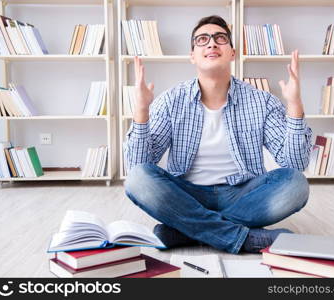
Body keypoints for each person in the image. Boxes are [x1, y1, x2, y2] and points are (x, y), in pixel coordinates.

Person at [124, 15, 312, 254]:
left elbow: (294, 164)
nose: (212, 44)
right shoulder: (171, 100)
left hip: (242, 195)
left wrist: (294, 105)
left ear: (232, 52)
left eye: (220, 38)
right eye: (202, 40)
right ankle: (244, 239)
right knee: (138, 178)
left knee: (295, 184)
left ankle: (184, 231)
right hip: (186, 194)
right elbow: (138, 165)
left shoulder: (261, 101)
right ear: (192, 55)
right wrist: (141, 111)